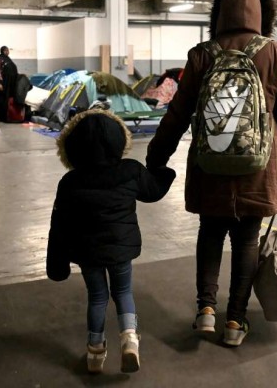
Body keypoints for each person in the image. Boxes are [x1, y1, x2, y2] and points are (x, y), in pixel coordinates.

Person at [146, 0, 277, 347]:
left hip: (209, 165)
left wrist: (157, 157)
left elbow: (178, 114)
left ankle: (205, 309)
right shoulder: (276, 53)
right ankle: (235, 320)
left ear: (218, 14)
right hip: (259, 167)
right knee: (247, 240)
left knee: (210, 232)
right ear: (262, 13)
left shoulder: (202, 54)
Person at [46, 109, 175, 374]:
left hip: (87, 252)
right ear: (119, 141)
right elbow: (152, 191)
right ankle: (129, 340)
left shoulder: (70, 182)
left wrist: (57, 263)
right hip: (121, 247)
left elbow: (59, 225)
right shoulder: (131, 171)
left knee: (97, 297)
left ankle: (95, 352)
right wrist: (163, 172)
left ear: (73, 146)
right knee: (123, 292)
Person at [0, 46, 17, 122]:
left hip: (10, 82)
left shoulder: (8, 59)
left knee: (8, 99)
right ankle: (1, 117)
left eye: (8, 50)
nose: (8, 52)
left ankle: (8, 116)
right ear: (2, 51)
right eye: (6, 50)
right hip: (4, 82)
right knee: (2, 99)